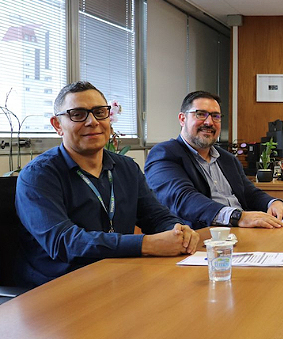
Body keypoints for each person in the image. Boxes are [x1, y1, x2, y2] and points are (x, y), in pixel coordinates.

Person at [15, 82, 200, 288]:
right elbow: (64, 242)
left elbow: (156, 216)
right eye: (78, 114)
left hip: (120, 277)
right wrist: (147, 244)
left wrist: (179, 232)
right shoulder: (38, 176)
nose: (92, 122)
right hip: (61, 288)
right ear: (57, 125)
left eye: (99, 112)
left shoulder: (126, 167)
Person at [145, 91, 283, 230]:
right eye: (200, 114)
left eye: (215, 116)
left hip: (241, 234)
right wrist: (238, 217)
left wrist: (273, 203)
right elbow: (183, 199)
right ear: (182, 118)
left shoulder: (227, 159)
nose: (209, 122)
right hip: (201, 239)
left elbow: (248, 193)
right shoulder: (164, 154)